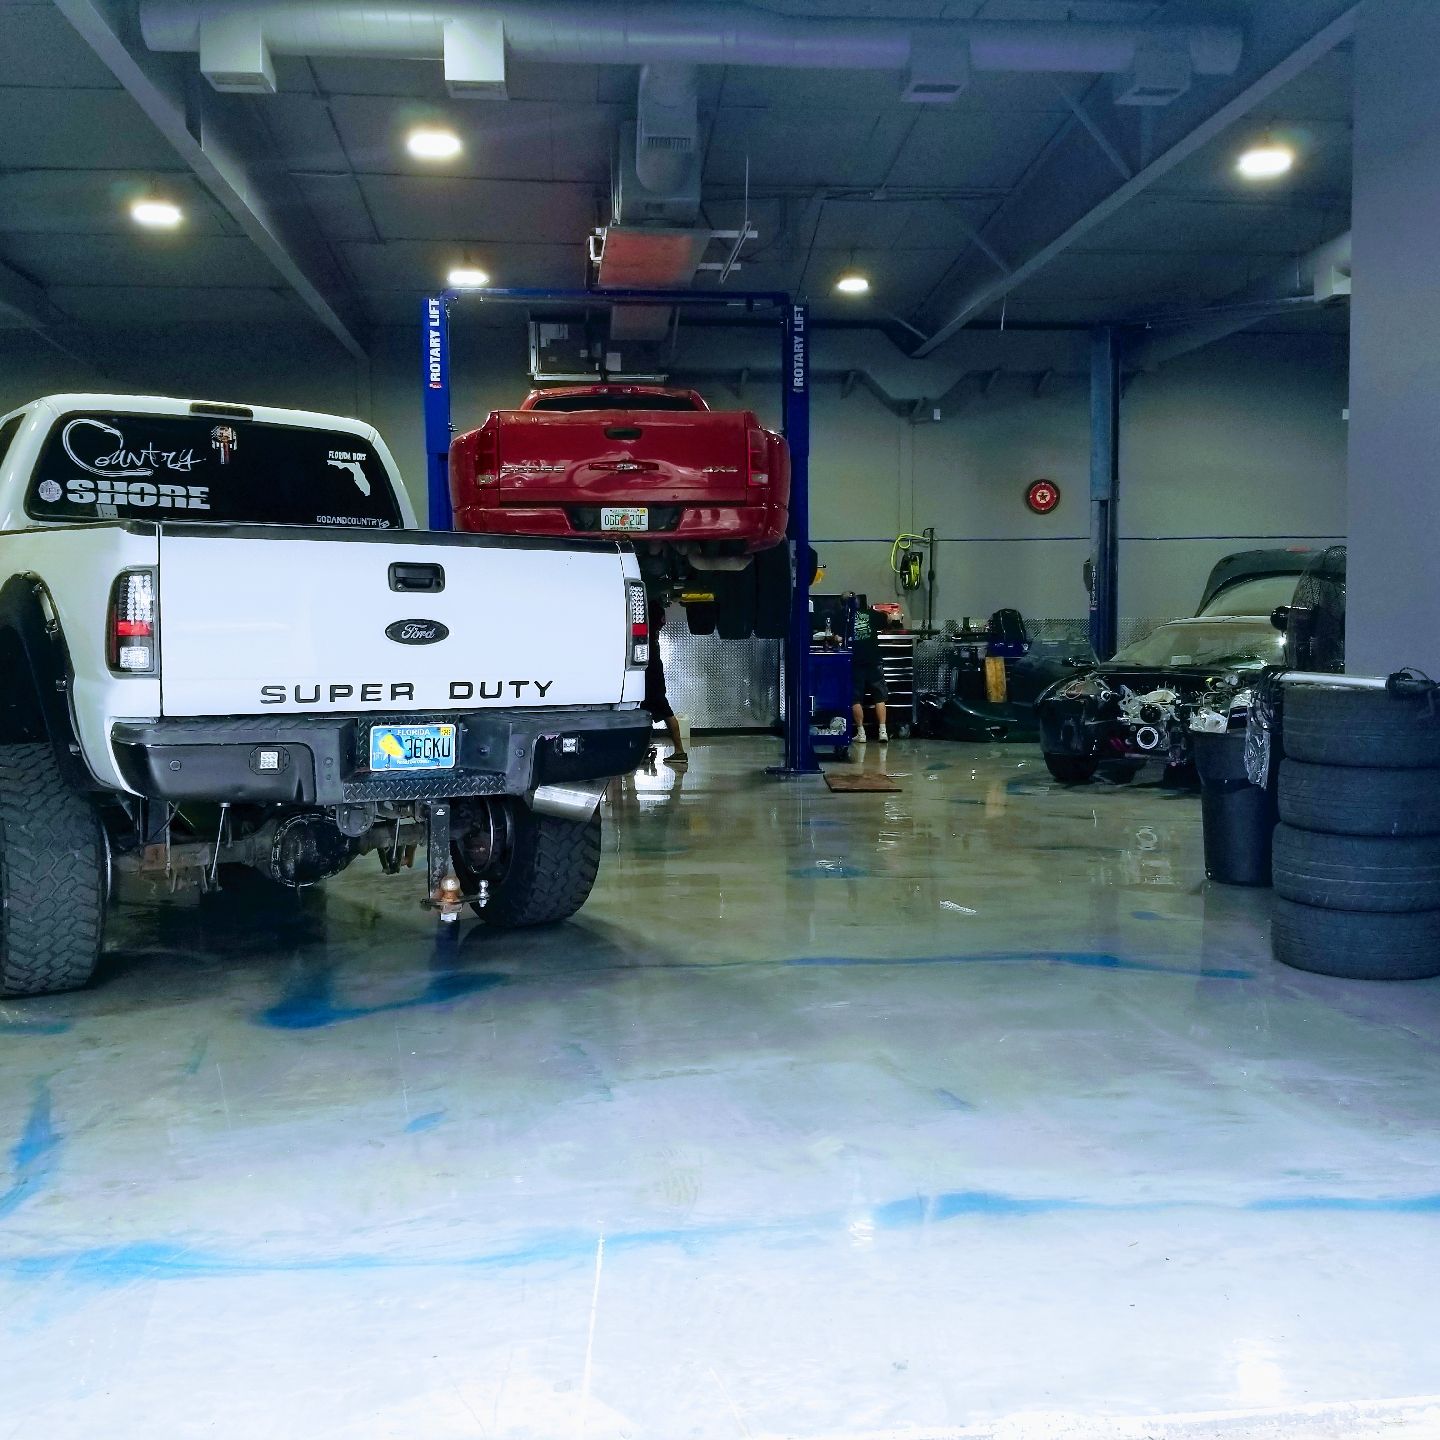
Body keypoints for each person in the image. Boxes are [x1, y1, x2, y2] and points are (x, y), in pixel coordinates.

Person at [644, 596, 688, 768]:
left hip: (650, 670)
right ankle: (678, 752)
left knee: (663, 711)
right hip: (655, 668)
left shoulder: (649, 610)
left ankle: (679, 752)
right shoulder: (658, 612)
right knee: (661, 710)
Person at [850, 599, 888, 744]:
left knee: (855, 697)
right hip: (874, 658)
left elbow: (837, 636)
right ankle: (883, 732)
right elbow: (887, 619)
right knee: (879, 696)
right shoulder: (871, 613)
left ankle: (861, 733)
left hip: (856, 660)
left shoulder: (845, 615)